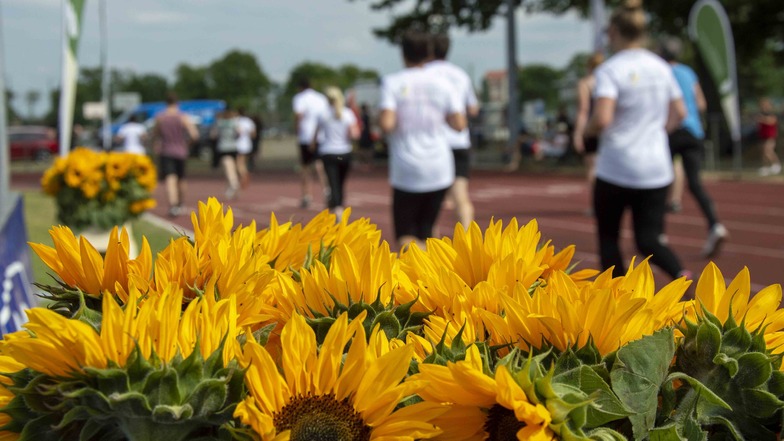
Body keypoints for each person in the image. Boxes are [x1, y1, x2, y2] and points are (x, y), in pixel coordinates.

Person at [585, 0, 689, 280]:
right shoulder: (661, 67)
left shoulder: (609, 70)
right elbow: (680, 112)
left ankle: (616, 299)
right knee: (649, 239)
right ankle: (680, 273)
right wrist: (657, 131)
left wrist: (587, 130)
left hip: (616, 166)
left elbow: (603, 118)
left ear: (615, 32)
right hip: (655, 166)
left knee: (608, 237)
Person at [379, 29, 466, 250]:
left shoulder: (393, 82)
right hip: (439, 167)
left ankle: (414, 278)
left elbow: (387, 124)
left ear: (403, 53)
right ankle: (432, 277)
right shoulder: (444, 84)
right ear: (428, 53)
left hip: (406, 168)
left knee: (406, 235)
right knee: (428, 231)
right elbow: (459, 124)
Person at [659, 36, 728, 258]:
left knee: (659, 183)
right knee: (695, 183)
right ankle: (715, 225)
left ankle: (658, 234)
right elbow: (701, 104)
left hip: (669, 130)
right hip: (693, 131)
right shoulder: (689, 73)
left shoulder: (660, 71)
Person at [426, 32, 480, 230]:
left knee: (431, 203)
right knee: (461, 198)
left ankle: (430, 252)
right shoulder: (461, 75)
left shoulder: (425, 74)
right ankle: (467, 242)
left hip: (434, 144)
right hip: (459, 141)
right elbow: (473, 108)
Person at [313, 87, 360, 221]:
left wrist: (312, 147)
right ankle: (338, 206)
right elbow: (355, 134)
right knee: (340, 183)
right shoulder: (348, 113)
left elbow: (315, 135)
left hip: (328, 152)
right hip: (344, 153)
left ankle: (336, 208)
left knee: (332, 183)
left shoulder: (322, 114)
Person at [152, 92, 198, 217]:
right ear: (177, 103)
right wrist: (187, 144)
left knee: (170, 179)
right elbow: (194, 135)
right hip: (181, 151)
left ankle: (173, 205)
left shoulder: (160, 117)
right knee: (181, 179)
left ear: (166, 103)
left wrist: (156, 145)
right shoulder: (183, 117)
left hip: (166, 151)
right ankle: (180, 203)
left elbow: (155, 134)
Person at [572, 52, 604, 215]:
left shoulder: (586, 83)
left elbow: (583, 110)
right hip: (608, 130)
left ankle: (596, 204)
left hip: (592, 129)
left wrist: (578, 134)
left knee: (593, 168)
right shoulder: (609, 81)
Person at [293, 77, 329, 208]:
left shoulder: (300, 98)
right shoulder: (321, 98)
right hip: (321, 136)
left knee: (305, 167)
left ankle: (306, 195)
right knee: (320, 165)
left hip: (305, 136)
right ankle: (327, 191)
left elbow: (298, 115)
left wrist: (296, 130)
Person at [211, 109, 241, 200]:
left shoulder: (219, 123)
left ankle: (233, 184)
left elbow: (213, 135)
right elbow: (239, 132)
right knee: (232, 167)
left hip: (223, 147)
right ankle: (232, 186)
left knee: (228, 168)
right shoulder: (234, 122)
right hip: (233, 147)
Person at [757, 97, 781, 176]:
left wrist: (762, 119)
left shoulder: (771, 114)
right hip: (763, 135)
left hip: (770, 136)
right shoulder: (761, 114)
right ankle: (766, 167)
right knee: (763, 152)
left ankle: (776, 164)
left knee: (768, 151)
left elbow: (771, 121)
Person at [235, 107, 257, 189]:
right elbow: (254, 134)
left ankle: (244, 175)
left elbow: (236, 132)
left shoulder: (236, 120)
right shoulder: (248, 121)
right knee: (243, 162)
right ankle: (244, 174)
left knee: (239, 164)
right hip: (247, 144)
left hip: (238, 145)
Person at [358, 103, 375, 169]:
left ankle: (364, 162)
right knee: (368, 148)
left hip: (364, 134)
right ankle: (368, 162)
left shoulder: (362, 117)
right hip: (368, 133)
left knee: (363, 149)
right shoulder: (369, 116)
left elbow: (362, 126)